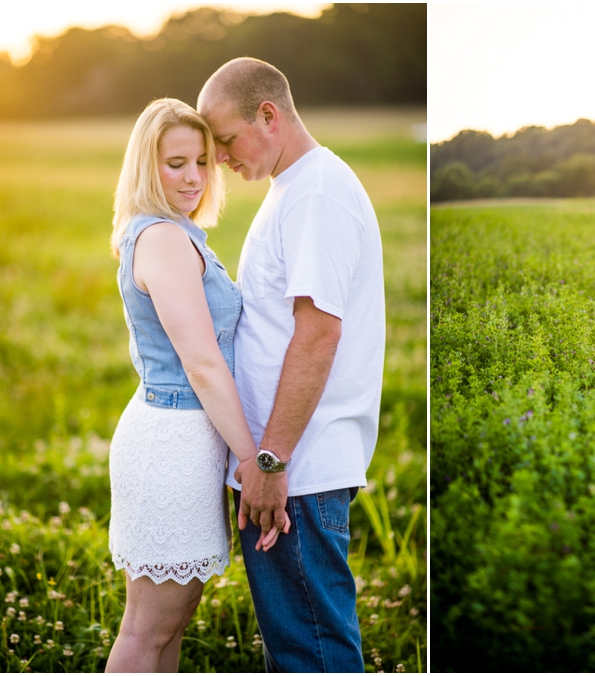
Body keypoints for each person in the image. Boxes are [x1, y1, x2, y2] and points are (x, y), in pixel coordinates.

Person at [197, 57, 386, 672]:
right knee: (296, 649)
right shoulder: (295, 188)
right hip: (285, 470)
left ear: (269, 116)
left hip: (295, 474)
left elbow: (317, 335)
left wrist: (270, 462)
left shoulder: (318, 194)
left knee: (313, 653)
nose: (220, 158)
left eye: (225, 140)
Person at [105, 98, 287, 672]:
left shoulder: (178, 233)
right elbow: (203, 363)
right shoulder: (160, 239)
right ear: (146, 166)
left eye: (204, 162)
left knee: (173, 621)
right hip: (172, 441)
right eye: (176, 162)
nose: (193, 177)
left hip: (187, 438)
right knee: (148, 628)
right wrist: (253, 461)